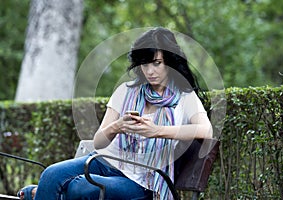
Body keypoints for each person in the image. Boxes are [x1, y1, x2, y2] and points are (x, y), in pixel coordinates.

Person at [17, 27, 213, 200]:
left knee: (82, 187)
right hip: (106, 162)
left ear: (169, 62)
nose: (150, 71)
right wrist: (117, 126)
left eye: (156, 63)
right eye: (144, 64)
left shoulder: (184, 97)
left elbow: (206, 130)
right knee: (51, 174)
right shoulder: (126, 91)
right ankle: (44, 191)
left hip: (143, 180)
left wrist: (157, 130)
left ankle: (40, 193)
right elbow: (99, 142)